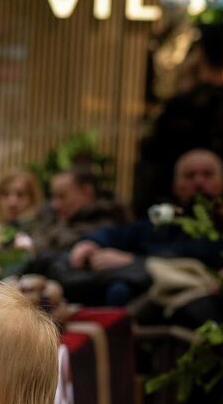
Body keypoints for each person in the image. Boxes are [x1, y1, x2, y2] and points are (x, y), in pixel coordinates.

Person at [69, 148, 223, 317]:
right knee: (117, 289)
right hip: (146, 285)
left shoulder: (217, 224)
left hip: (196, 291)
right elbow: (126, 232)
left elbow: (198, 254)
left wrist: (134, 261)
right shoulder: (166, 217)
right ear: (175, 185)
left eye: (208, 174)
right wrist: (91, 242)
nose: (199, 182)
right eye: (189, 176)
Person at [134, 19, 223, 215]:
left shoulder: (180, 107)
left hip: (171, 214)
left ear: (201, 55)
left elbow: (150, 167)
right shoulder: (183, 106)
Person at [20, 165, 126, 255]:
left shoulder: (107, 224)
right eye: (53, 197)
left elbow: (61, 247)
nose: (55, 205)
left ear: (87, 192)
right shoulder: (53, 216)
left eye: (62, 196)